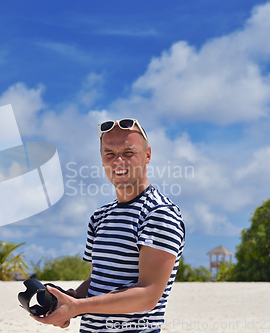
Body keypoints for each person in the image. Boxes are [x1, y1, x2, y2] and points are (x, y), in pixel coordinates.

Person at [32, 118, 185, 332]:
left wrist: (78, 307)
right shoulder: (100, 216)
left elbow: (148, 295)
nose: (118, 161)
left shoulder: (159, 213)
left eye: (128, 153)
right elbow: (96, 282)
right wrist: (68, 300)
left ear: (147, 155)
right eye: (109, 154)